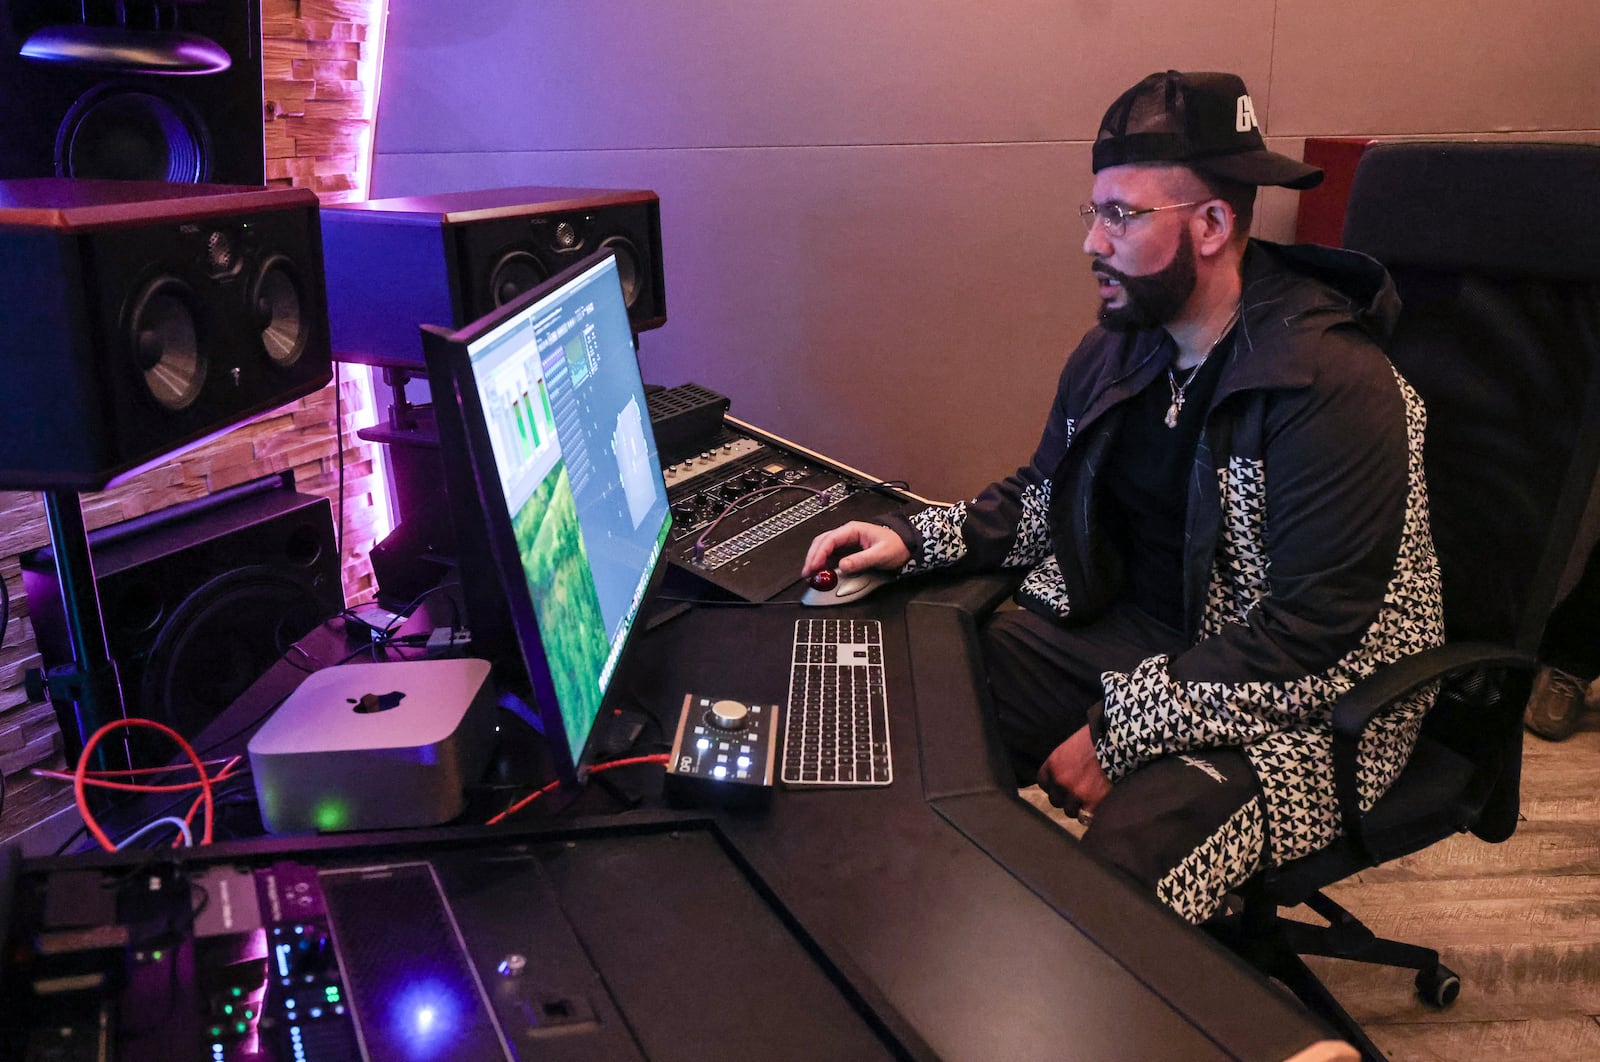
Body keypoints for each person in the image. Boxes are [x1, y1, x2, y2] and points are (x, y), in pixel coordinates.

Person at [802, 70, 1444, 923]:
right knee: (927, 683)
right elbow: (1047, 495)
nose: (1092, 244)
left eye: (1123, 215)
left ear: (1213, 225)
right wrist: (916, 540)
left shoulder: (1333, 386)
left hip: (1324, 704)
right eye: (1093, 212)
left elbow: (1314, 633)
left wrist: (1120, 731)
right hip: (1152, 639)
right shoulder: (1121, 349)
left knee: (1125, 875)